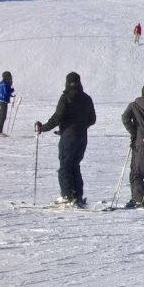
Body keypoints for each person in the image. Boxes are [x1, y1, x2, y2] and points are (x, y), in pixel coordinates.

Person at [34, 72, 96, 206]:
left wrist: (43, 128)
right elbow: (92, 119)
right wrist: (80, 127)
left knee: (65, 166)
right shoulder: (87, 98)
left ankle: (67, 195)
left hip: (69, 137)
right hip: (82, 137)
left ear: (67, 82)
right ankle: (77, 195)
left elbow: (57, 117)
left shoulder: (66, 97)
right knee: (75, 165)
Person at [0, 71, 15, 138]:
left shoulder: (3, 82)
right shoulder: (5, 83)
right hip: (3, 101)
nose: (11, 77)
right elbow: (6, 91)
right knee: (2, 116)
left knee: (2, 116)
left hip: (2, 100)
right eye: (10, 76)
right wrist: (12, 90)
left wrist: (11, 94)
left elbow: (4, 91)